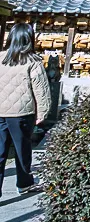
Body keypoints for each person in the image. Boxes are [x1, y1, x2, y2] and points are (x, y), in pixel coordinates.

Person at [0, 23, 51, 195]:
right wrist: (42, 113)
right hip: (21, 114)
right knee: (22, 150)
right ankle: (24, 183)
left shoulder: (0, 58)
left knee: (0, 152)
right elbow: (41, 90)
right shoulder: (33, 62)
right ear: (29, 39)